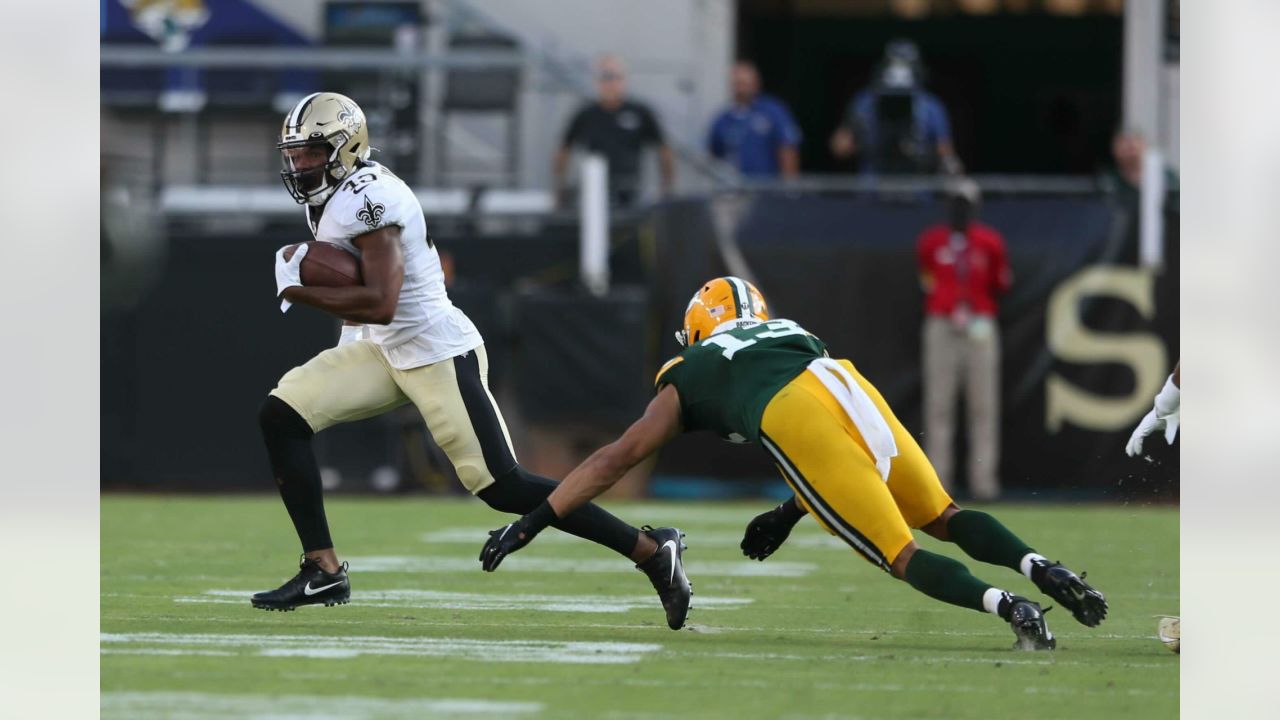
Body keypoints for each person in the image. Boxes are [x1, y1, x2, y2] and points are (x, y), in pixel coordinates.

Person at [252, 92, 692, 631]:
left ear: (346, 147)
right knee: (282, 415)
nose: (301, 165)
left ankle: (649, 550)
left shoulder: (372, 198)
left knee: (502, 486)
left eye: (312, 152)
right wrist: (347, 344)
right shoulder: (330, 194)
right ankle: (322, 568)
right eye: (295, 154)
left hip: (435, 350)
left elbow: (382, 301)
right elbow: (371, 310)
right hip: (382, 347)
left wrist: (300, 291)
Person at [479, 277, 1108, 650]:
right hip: (844, 380)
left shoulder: (690, 369)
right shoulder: (788, 329)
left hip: (793, 411)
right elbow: (832, 439)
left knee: (900, 553)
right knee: (943, 514)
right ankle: (1039, 566)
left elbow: (615, 459)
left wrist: (531, 520)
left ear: (699, 330)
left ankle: (1012, 608)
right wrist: (788, 511)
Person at [917, 177, 1012, 500]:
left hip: (979, 324)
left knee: (982, 406)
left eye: (966, 204)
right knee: (939, 405)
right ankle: (937, 485)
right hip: (942, 323)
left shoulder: (989, 242)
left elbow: (1000, 281)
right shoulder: (932, 242)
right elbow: (926, 277)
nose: (961, 210)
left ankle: (983, 482)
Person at [554, 55, 675, 207]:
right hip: (595, 190)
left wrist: (667, 186)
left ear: (623, 80)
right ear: (596, 81)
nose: (610, 83)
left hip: (630, 189)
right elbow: (564, 148)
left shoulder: (639, 112)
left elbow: (663, 148)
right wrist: (560, 185)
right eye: (605, 77)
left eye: (614, 77)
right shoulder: (586, 114)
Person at [829, 40, 959, 175]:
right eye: (895, 64)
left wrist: (928, 155)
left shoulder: (930, 105)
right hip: (873, 188)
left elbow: (946, 154)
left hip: (915, 187)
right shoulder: (866, 102)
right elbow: (839, 149)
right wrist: (859, 138)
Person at [707, 60, 802, 179]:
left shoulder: (773, 111)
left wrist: (789, 189)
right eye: (738, 83)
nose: (741, 88)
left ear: (756, 83)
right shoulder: (722, 120)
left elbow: (787, 148)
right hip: (733, 190)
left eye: (745, 83)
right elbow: (714, 158)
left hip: (767, 190)